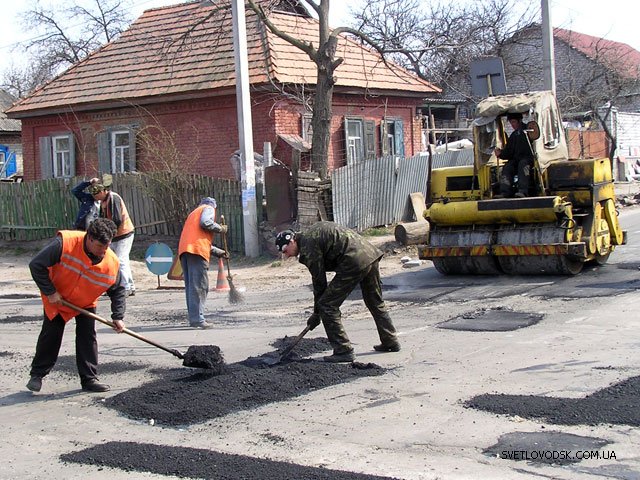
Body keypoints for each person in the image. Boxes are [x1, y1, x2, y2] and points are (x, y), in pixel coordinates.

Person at [275, 221, 400, 363]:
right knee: (375, 302)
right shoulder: (310, 235)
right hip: (370, 255)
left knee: (327, 306)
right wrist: (316, 314)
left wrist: (317, 313)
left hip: (353, 261)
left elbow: (319, 282)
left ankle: (343, 350)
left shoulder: (308, 246)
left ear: (292, 241)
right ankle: (390, 341)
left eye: (285, 251)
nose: (287, 256)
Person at [26, 218, 126, 393]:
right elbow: (36, 265)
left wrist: (118, 316)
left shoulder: (111, 262)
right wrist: (50, 292)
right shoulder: (65, 243)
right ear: (89, 238)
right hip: (58, 298)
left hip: (85, 300)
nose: (103, 252)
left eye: (107, 246)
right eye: (100, 247)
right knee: (51, 335)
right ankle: (37, 375)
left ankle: (89, 379)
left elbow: (118, 290)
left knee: (87, 336)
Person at [178, 197, 228, 329]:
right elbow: (205, 222)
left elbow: (199, 239)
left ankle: (194, 318)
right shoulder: (208, 209)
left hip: (185, 251)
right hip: (196, 251)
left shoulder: (193, 213)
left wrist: (220, 252)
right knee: (200, 286)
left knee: (191, 287)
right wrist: (220, 228)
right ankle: (198, 320)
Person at [89, 179, 136, 296]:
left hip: (124, 234)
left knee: (121, 260)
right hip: (115, 235)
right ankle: (124, 286)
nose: (95, 196)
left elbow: (117, 219)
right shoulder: (103, 201)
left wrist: (108, 234)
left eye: (97, 193)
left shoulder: (113, 198)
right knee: (114, 261)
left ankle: (126, 287)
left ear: (104, 190)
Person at [494, 112, 535, 198]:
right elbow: (509, 151)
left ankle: (523, 191)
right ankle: (505, 192)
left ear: (519, 121)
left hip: (528, 159)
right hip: (516, 160)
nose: (512, 125)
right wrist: (501, 154)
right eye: (511, 122)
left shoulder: (529, 131)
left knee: (523, 165)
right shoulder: (514, 135)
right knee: (507, 167)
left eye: (513, 122)